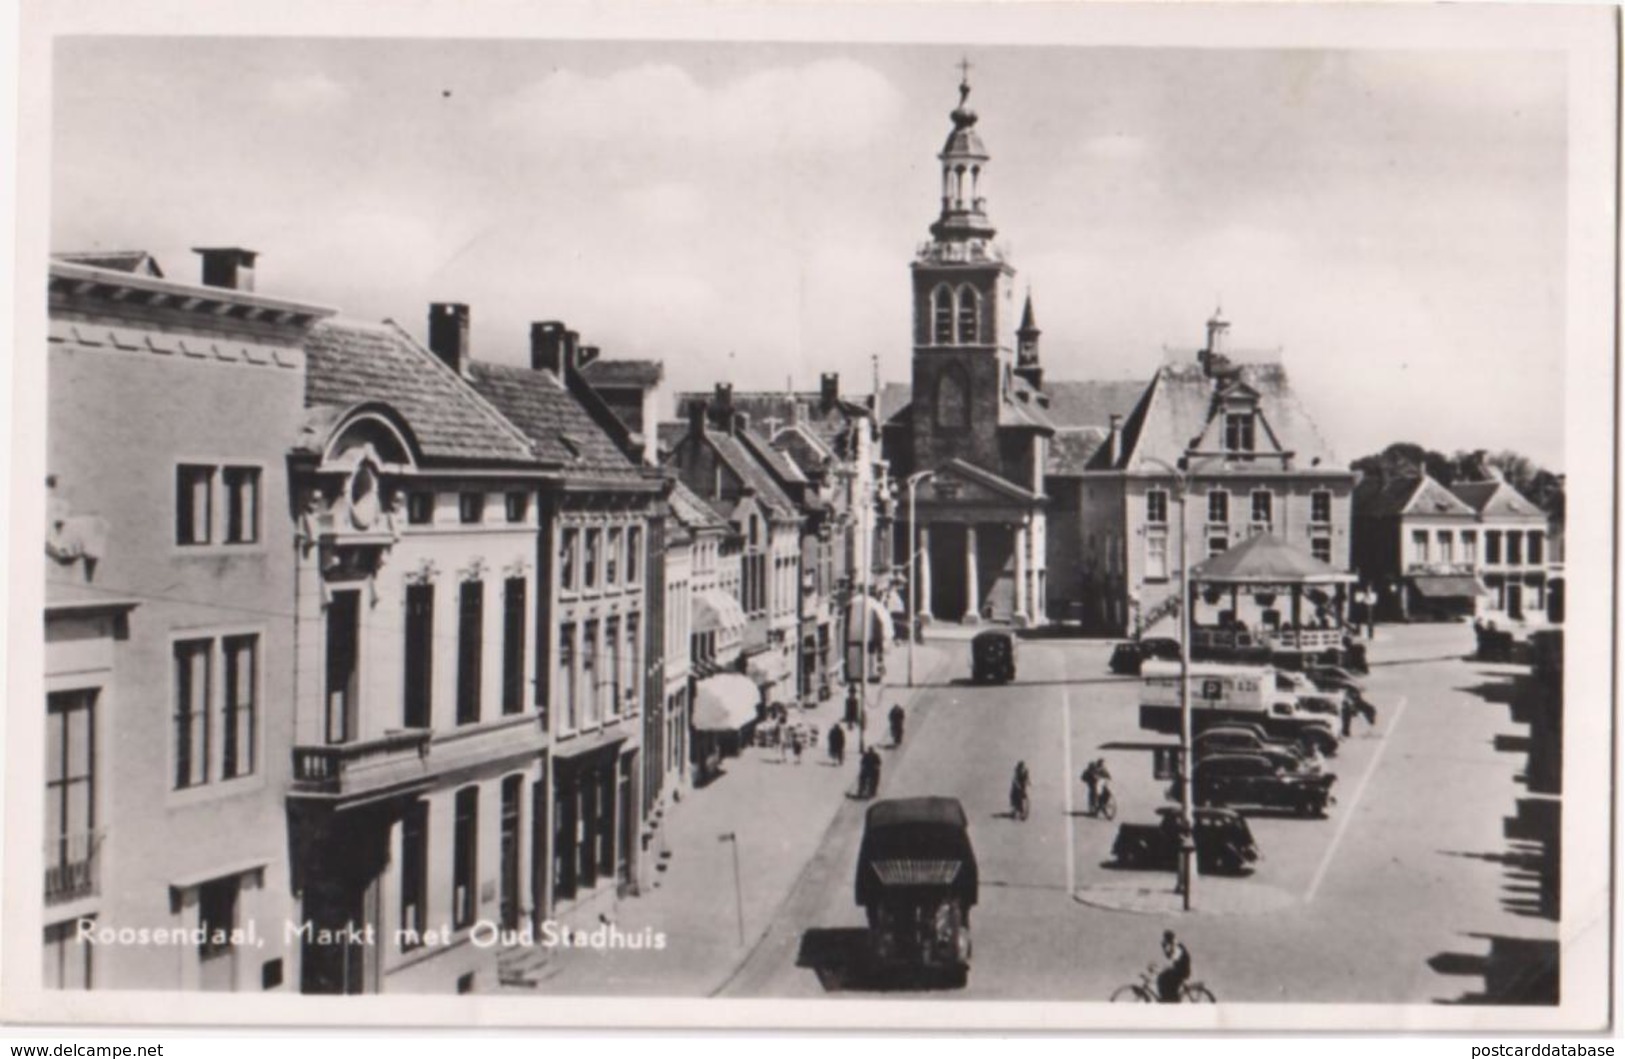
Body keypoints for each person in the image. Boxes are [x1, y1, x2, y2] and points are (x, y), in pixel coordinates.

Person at [1156, 930, 1193, 1003]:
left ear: (1169, 939)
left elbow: (1173, 957)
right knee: (1162, 977)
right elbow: (1171, 957)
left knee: (1163, 979)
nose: (1165, 940)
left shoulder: (1177, 946)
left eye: (1165, 939)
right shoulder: (1174, 945)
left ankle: (1170, 999)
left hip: (1181, 971)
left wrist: (1165, 948)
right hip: (1179, 970)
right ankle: (1167, 997)